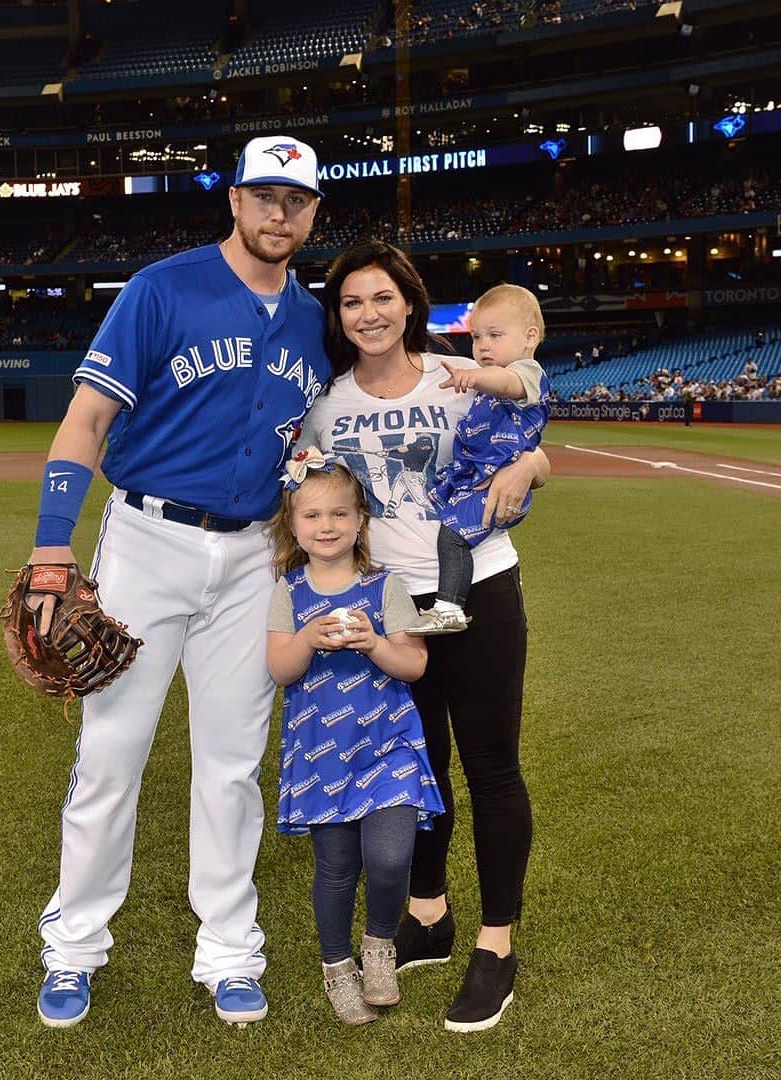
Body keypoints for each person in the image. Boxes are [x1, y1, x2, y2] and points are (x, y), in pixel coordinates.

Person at [26, 134, 330, 1029]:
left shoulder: (314, 322)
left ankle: (230, 951)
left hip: (253, 558)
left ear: (314, 214)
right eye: (265, 195)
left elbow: (313, 439)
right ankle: (74, 947)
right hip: (148, 542)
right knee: (112, 757)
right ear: (234, 200)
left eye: (297, 200)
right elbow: (84, 422)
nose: (280, 213)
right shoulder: (161, 289)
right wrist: (52, 552)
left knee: (233, 767)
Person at [299, 240, 550, 1032]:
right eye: (351, 303)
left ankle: (496, 945)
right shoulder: (327, 404)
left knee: (491, 767)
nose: (369, 314)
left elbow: (525, 435)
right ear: (338, 318)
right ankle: (430, 915)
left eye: (383, 298)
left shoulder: (457, 375)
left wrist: (534, 464)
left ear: (410, 303)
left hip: (478, 589)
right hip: (391, 608)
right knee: (419, 768)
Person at [266, 452, 444, 1024]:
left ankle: (379, 946)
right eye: (312, 515)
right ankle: (338, 967)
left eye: (340, 513)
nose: (327, 526)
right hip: (321, 750)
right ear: (292, 525)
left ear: (361, 519)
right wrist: (307, 640)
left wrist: (374, 645)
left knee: (391, 858)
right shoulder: (288, 593)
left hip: (386, 743)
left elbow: (414, 665)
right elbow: (280, 670)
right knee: (337, 867)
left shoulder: (386, 588)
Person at [409, 285, 550, 634]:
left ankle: (449, 607)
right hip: (473, 476)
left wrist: (473, 377)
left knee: (453, 536)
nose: (483, 345)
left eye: (495, 335)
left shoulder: (527, 373)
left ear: (530, 336)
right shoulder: (488, 377)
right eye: (476, 336)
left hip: (491, 484)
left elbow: (506, 382)